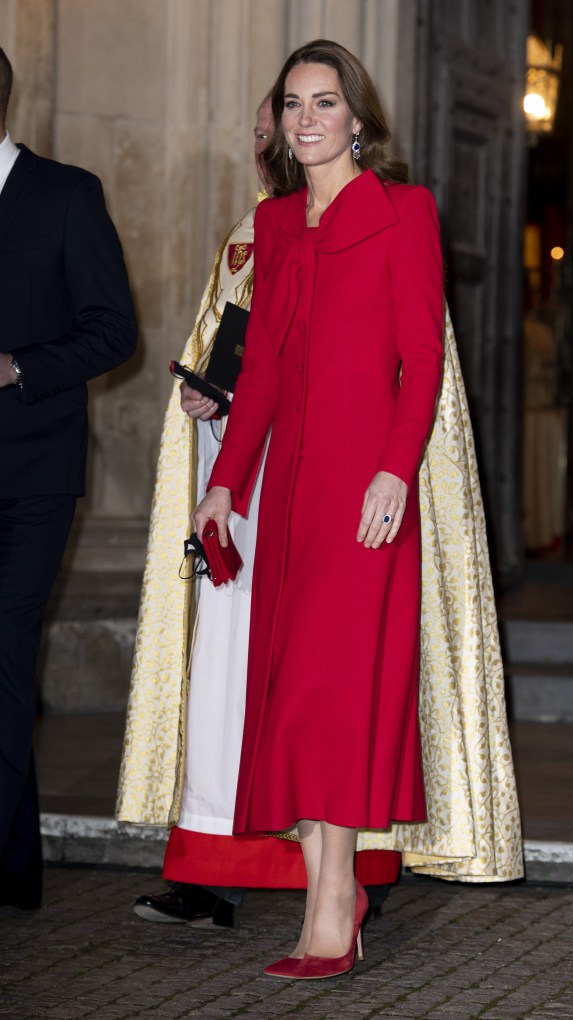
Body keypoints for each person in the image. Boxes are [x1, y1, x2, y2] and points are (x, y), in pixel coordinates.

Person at [192, 39, 445, 979]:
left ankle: (333, 906)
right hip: (290, 499)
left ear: (357, 119)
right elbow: (257, 375)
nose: (306, 118)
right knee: (293, 699)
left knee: (335, 698)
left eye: (325, 102)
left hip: (365, 497)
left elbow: (422, 358)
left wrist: (394, 470)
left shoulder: (403, 213)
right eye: (293, 103)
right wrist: (226, 483)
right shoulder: (277, 225)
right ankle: (325, 896)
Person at [116, 96, 401, 927]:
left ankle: (348, 879)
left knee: (325, 679)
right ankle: (215, 867)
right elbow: (234, 346)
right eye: (267, 122)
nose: (271, 136)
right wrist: (209, 399)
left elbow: (405, 365)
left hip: (333, 487)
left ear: (349, 123)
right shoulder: (258, 232)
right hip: (246, 484)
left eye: (302, 112)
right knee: (230, 676)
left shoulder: (382, 218)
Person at [0, 47, 137, 910]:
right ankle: (14, 869)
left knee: (3, 656)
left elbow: (112, 330)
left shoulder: (66, 193)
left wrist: (16, 367)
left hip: (31, 477)